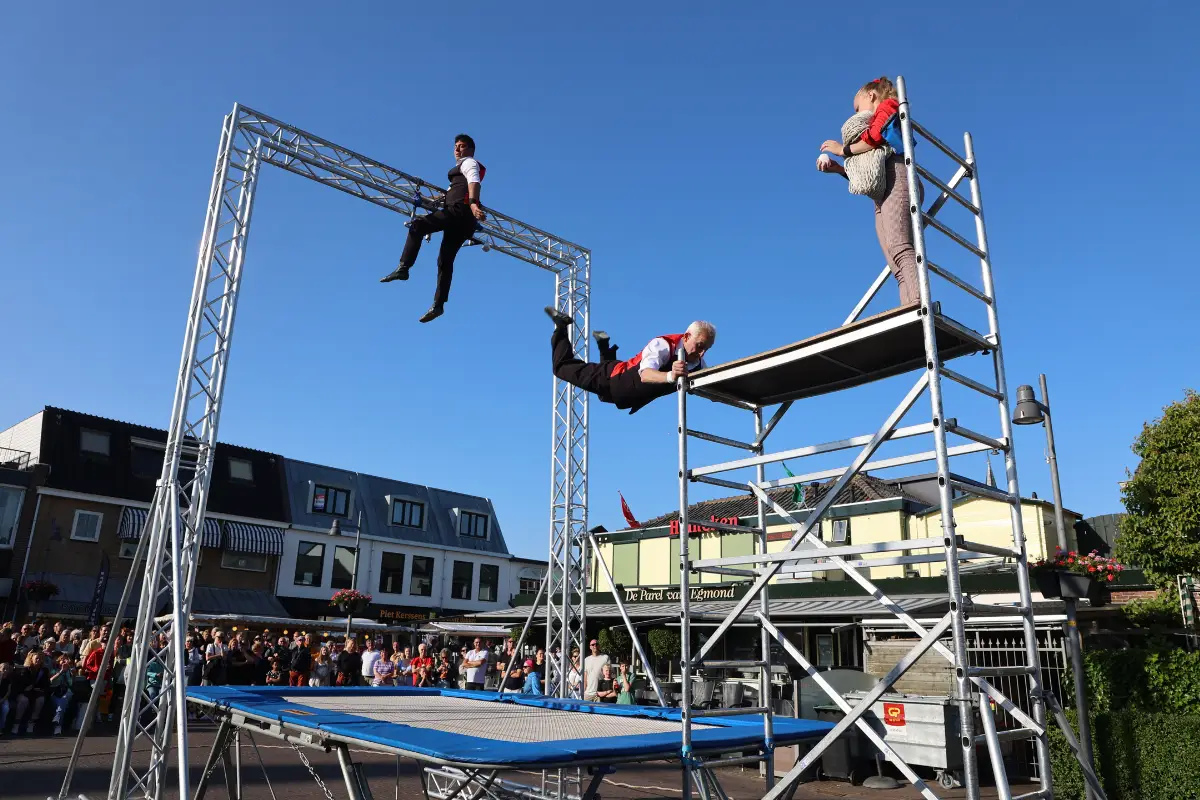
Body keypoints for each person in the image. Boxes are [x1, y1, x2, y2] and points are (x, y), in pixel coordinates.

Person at [817, 76, 924, 307]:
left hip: (899, 174)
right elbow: (869, 173)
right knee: (893, 258)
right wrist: (838, 169)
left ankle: (917, 303)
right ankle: (908, 305)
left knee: (900, 246)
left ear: (871, 96)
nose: (856, 113)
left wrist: (843, 149)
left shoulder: (889, 106)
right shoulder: (876, 137)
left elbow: (874, 137)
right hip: (884, 190)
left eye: (857, 107)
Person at [379, 133, 488, 324]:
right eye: (455, 146)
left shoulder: (469, 163)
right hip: (463, 221)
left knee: (418, 225)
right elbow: (457, 190)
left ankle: (404, 267)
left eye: (461, 146)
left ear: (470, 149)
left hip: (459, 212)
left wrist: (473, 203)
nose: (457, 149)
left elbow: (474, 182)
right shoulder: (457, 176)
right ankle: (438, 305)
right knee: (445, 260)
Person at [545, 308, 715, 415]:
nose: (702, 353)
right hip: (613, 377)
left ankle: (604, 346)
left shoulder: (699, 364)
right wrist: (671, 375)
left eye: (706, 349)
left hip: (625, 393)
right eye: (700, 346)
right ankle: (561, 326)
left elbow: (711, 386)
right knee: (561, 368)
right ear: (686, 337)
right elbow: (645, 374)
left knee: (603, 397)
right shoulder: (662, 345)